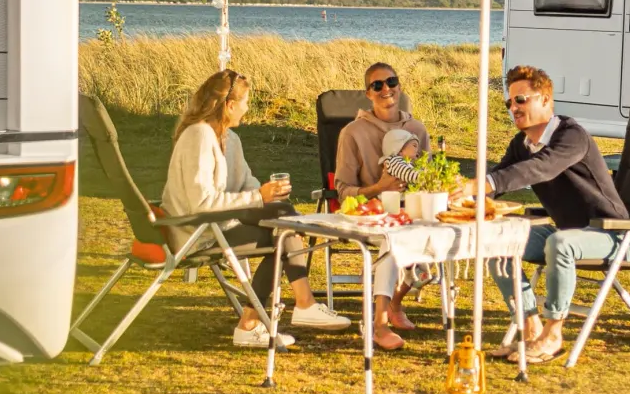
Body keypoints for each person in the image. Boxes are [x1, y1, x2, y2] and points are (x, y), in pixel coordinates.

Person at [164, 69, 351, 348]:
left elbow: (246, 185)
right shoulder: (198, 136)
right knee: (285, 233)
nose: (248, 108)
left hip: (219, 225)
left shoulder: (230, 139)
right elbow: (201, 202)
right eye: (245, 102)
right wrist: (258, 197)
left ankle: (274, 315)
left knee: (283, 217)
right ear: (229, 105)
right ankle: (286, 311)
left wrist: (269, 195)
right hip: (198, 233)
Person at [481, 65, 630, 364]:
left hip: (611, 234)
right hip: (564, 231)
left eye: (520, 100)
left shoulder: (572, 136)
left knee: (560, 243)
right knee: (495, 240)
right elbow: (497, 180)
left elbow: (541, 167)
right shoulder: (521, 144)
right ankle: (529, 327)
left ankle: (553, 334)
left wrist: (489, 183)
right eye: (509, 102)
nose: (513, 107)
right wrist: (462, 196)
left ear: (546, 100)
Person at [335, 62, 432, 349]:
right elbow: (343, 190)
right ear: (368, 93)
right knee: (392, 240)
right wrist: (379, 188)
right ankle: (379, 325)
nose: (386, 89)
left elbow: (427, 177)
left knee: (437, 247)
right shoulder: (352, 133)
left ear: (399, 86)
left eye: (391, 82)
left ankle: (396, 302)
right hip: (375, 214)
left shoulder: (417, 129)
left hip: (413, 211)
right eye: (377, 85)